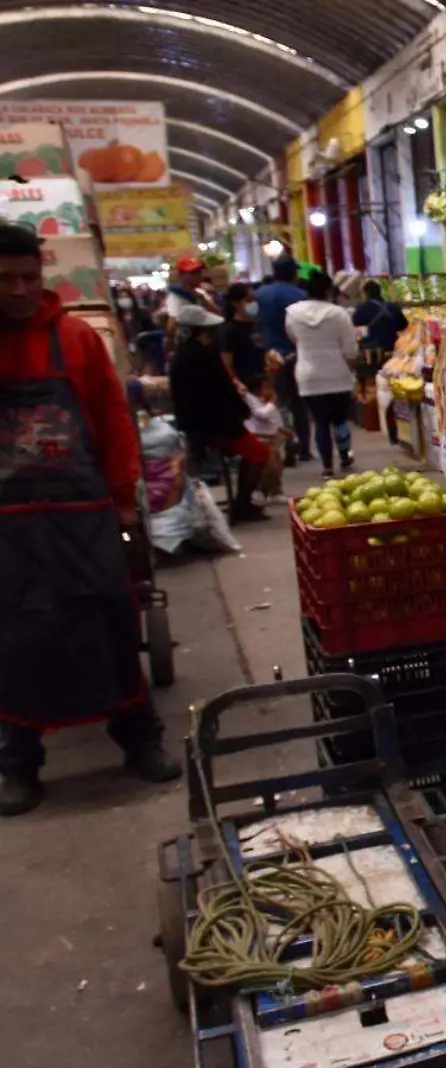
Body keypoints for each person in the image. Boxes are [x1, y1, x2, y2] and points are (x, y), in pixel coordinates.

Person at [0, 222, 180, 815]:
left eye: (30, 278)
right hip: (9, 529)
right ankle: (19, 764)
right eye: (7, 281)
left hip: (83, 517)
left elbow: (112, 418)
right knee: (15, 642)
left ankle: (139, 743)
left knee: (110, 626)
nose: (21, 290)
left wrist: (126, 499)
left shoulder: (76, 340)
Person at [168, 304, 269, 521]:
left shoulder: (185, 355)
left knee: (255, 451)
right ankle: (242, 504)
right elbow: (219, 392)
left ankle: (242, 502)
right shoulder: (200, 357)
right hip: (216, 426)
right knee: (259, 453)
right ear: (203, 330)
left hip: (202, 424)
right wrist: (241, 411)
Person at [286, 271, 358, 476]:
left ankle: (327, 467)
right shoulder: (339, 314)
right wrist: (350, 370)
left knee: (320, 422)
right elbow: (350, 350)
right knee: (340, 420)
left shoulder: (292, 313)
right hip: (338, 375)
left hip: (308, 376)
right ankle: (344, 456)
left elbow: (294, 339)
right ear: (328, 290)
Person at [254, 256, 311, 465]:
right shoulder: (299, 295)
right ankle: (303, 447)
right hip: (296, 355)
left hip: (270, 357)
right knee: (299, 404)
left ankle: (287, 444)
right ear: (293, 273)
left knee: (278, 402)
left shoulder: (259, 295)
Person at [220, 282, 268, 391]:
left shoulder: (255, 325)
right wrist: (236, 383)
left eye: (254, 300)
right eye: (249, 301)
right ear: (236, 303)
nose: (253, 304)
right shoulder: (230, 329)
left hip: (261, 381)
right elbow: (227, 362)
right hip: (244, 384)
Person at [352, 280, 409, 362]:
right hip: (392, 349)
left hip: (371, 352)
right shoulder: (392, 306)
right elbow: (403, 326)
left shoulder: (362, 308)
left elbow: (356, 328)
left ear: (366, 293)